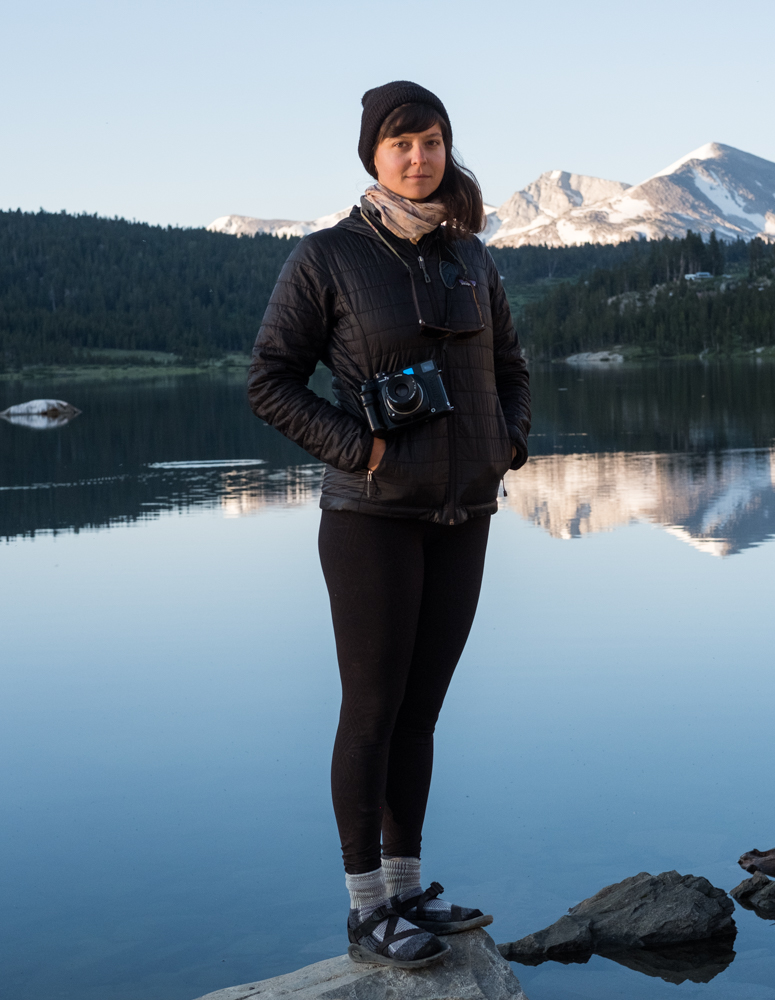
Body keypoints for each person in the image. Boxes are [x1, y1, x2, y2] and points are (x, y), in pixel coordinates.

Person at [247, 81, 532, 969]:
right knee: (372, 711)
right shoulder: (327, 257)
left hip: (462, 512)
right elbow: (270, 383)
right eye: (401, 142)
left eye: (432, 140)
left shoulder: (471, 258)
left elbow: (514, 365)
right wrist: (358, 449)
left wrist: (507, 443)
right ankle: (366, 910)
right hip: (370, 517)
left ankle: (409, 889)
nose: (419, 157)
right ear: (373, 154)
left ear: (449, 149)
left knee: (422, 713)